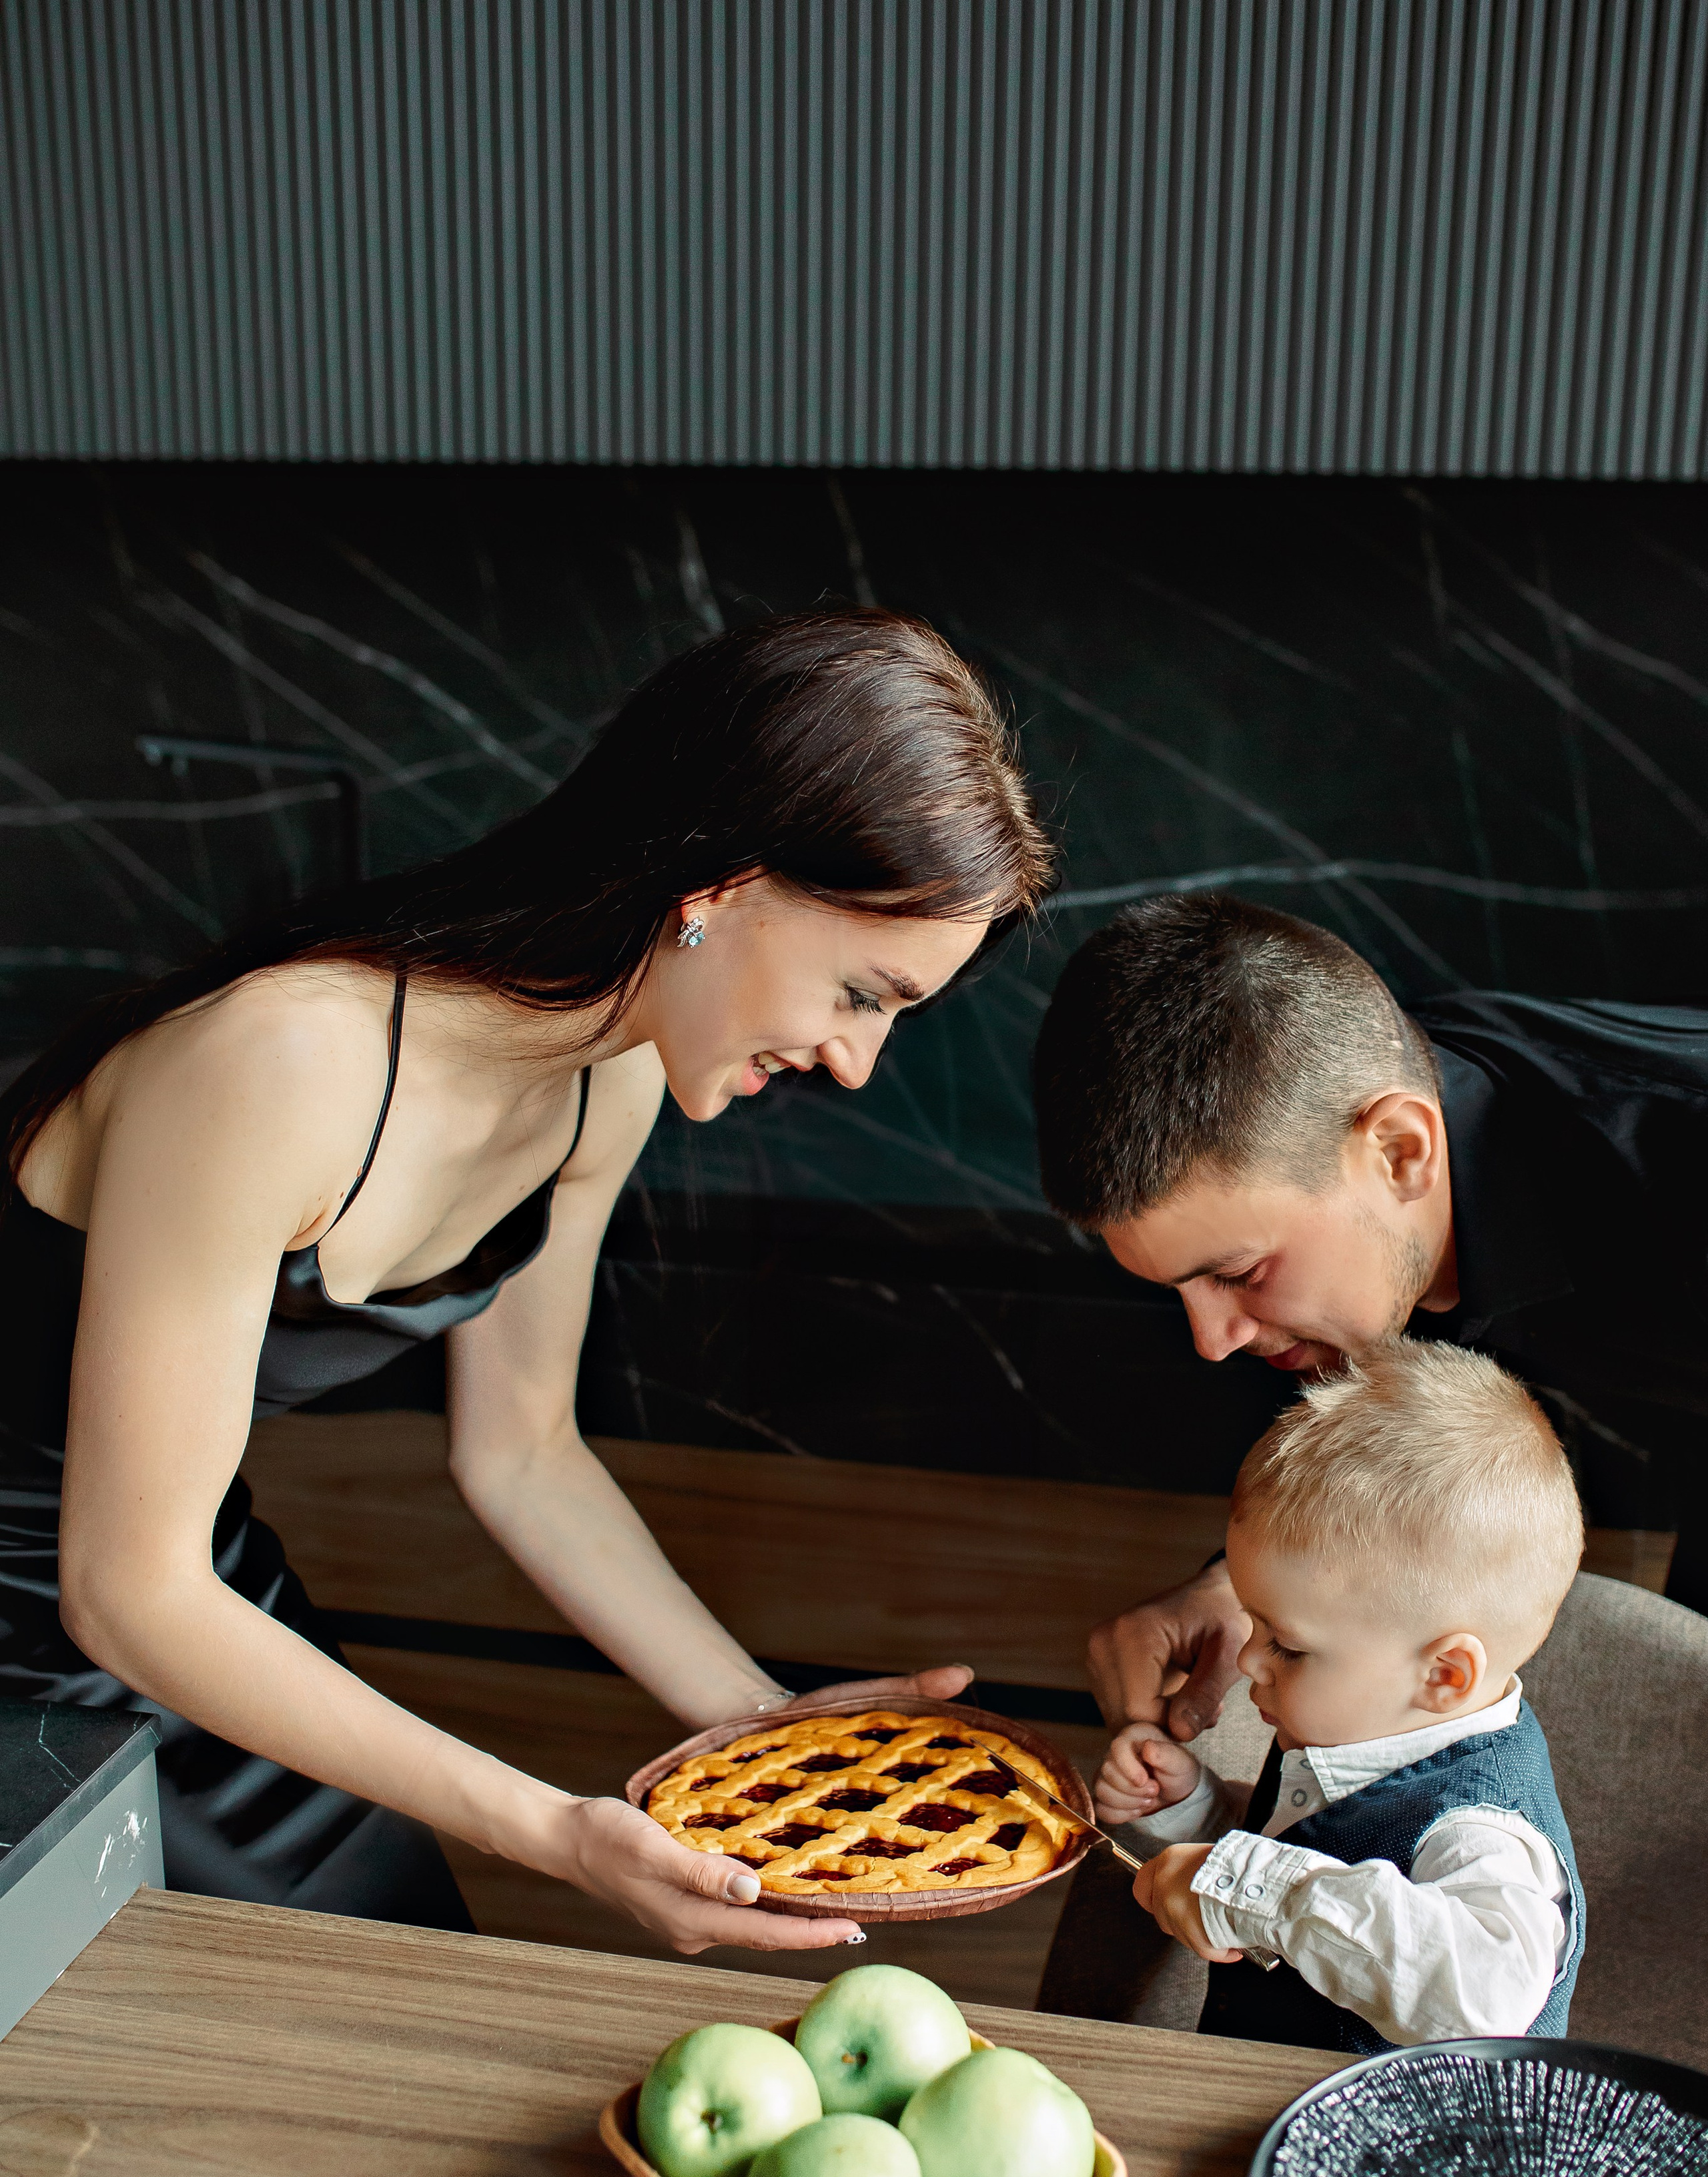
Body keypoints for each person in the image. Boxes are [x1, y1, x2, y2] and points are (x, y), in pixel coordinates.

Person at [1, 608, 1051, 1957]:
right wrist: (553, 1830)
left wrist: (757, 1723)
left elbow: (524, 1454)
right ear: (721, 887)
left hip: (186, 1600)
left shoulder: (602, 1087)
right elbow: (122, 1586)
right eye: (861, 992)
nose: (858, 1061)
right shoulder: (279, 1065)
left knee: (398, 1949)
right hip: (90, 1626)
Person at [1031, 891, 1708, 1747]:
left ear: (1400, 1152)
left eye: (1240, 1274)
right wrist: (1242, 1592)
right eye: (1178, 1290)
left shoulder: (1674, 1169)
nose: (1212, 1341)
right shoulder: (1336, 1124)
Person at [1098, 1341, 1585, 2054]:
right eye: (1253, 1623)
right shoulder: (1355, 1727)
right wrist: (1199, 1809)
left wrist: (1251, 1887)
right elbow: (1326, 1843)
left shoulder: (1479, 1829)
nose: (1246, 1659)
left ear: (1444, 1674)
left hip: (1401, 2156)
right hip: (1268, 2112)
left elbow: (1486, 2001)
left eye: (1286, 1645)